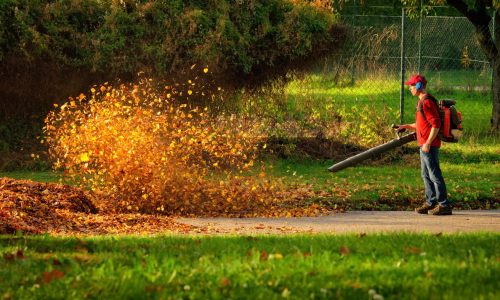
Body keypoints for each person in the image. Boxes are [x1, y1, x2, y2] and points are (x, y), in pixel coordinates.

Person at [396, 74, 452, 215]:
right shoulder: (422, 102)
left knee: (434, 174)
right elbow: (422, 124)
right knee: (426, 174)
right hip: (424, 145)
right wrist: (406, 126)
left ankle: (444, 205)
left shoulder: (426, 102)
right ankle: (430, 202)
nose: (410, 88)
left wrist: (428, 143)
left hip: (429, 145)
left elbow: (436, 124)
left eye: (412, 86)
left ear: (419, 86)